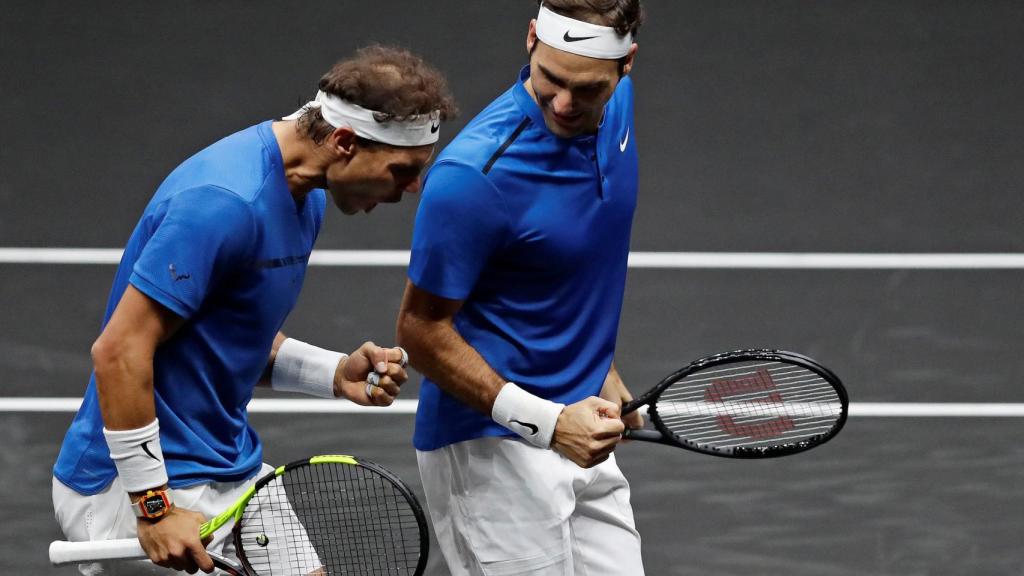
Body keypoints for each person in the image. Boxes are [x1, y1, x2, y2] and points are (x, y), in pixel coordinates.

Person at [52, 45, 457, 575]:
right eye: (402, 170)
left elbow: (226, 335)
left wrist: (332, 373)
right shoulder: (224, 203)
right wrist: (154, 510)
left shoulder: (306, 195)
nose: (412, 190)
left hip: (227, 464)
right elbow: (119, 351)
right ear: (344, 142)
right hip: (134, 485)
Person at [396, 1, 646, 574]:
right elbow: (418, 331)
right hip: (490, 446)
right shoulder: (474, 178)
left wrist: (599, 368)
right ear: (531, 38)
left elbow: (565, 269)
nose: (563, 104)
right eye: (551, 79)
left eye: (586, 90)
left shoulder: (619, 110)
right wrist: (549, 423)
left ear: (625, 66)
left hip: (584, 420)